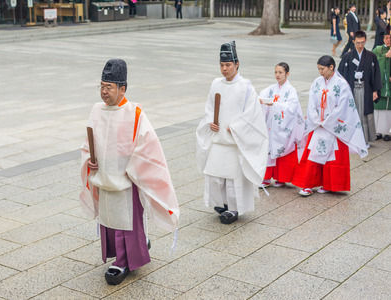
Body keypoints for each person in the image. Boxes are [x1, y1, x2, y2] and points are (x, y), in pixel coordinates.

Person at [79, 59, 180, 285]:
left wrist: (134, 167)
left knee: (126, 221)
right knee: (109, 218)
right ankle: (126, 252)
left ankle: (123, 262)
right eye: (102, 86)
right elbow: (87, 144)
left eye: (109, 87)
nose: (104, 92)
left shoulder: (135, 113)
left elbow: (148, 147)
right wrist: (89, 161)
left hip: (126, 179)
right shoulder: (96, 110)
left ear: (122, 88)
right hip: (104, 177)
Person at [196, 41, 268, 224]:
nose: (224, 69)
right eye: (221, 65)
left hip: (235, 140)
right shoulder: (215, 84)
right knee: (215, 174)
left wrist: (236, 128)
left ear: (237, 64)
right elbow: (209, 108)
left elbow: (252, 114)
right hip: (218, 138)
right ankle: (222, 203)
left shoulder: (246, 87)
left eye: (228, 65)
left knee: (232, 178)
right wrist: (210, 122)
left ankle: (234, 208)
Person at [292, 55, 368, 197]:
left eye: (322, 69)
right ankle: (307, 185)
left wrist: (328, 121)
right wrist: (315, 119)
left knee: (332, 158)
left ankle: (329, 185)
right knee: (313, 155)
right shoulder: (317, 82)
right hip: (318, 125)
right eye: (318, 69)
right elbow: (312, 102)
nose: (320, 72)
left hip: (332, 126)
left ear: (331, 67)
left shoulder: (341, 84)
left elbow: (344, 106)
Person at [258, 62, 305, 189]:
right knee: (268, 149)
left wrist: (275, 105)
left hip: (284, 126)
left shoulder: (291, 90)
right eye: (276, 72)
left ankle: (281, 178)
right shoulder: (272, 88)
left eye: (280, 72)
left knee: (284, 149)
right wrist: (261, 100)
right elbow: (262, 95)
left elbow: (292, 107)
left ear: (287, 74)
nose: (277, 75)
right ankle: (266, 177)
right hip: (271, 125)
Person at [339, 30, 382, 146]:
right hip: (352, 89)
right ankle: (352, 139)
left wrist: (375, 90)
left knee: (365, 114)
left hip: (366, 88)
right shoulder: (347, 56)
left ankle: (365, 139)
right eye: (358, 43)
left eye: (363, 42)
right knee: (352, 114)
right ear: (353, 42)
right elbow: (340, 73)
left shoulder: (371, 56)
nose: (360, 45)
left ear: (366, 41)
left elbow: (376, 74)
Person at [372, 25, 391, 141]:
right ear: (383, 39)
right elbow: (373, 63)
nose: (389, 40)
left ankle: (387, 131)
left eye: (390, 38)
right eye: (386, 38)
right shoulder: (378, 49)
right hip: (380, 84)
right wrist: (385, 56)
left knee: (388, 110)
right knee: (378, 109)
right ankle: (377, 131)